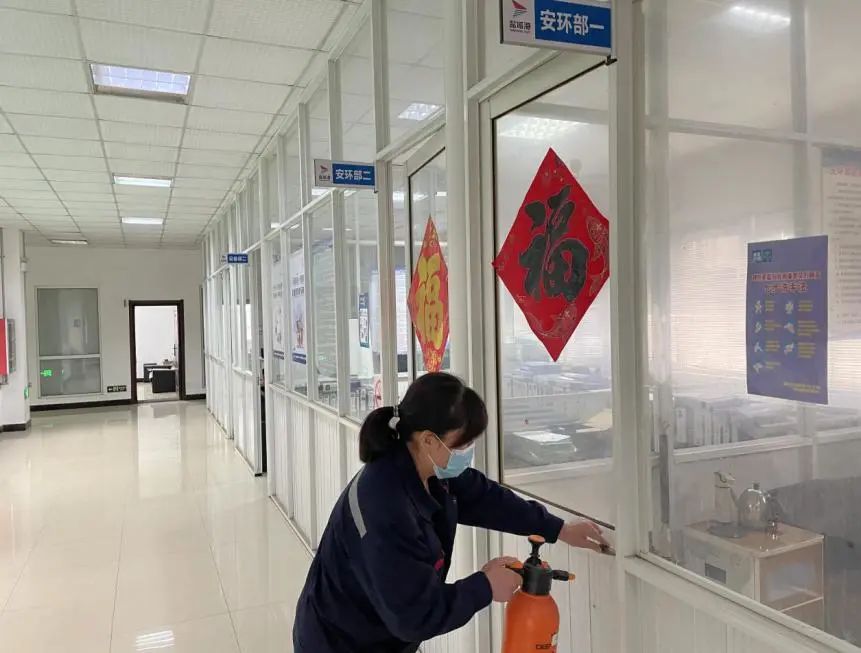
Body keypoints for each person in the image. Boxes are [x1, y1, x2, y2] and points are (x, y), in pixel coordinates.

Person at [293, 372, 608, 653]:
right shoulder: (385, 507)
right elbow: (414, 616)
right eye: (462, 444)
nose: (466, 453)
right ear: (429, 440)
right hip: (340, 641)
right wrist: (485, 586)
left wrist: (559, 529)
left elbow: (485, 498)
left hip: (379, 632)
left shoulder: (427, 468)